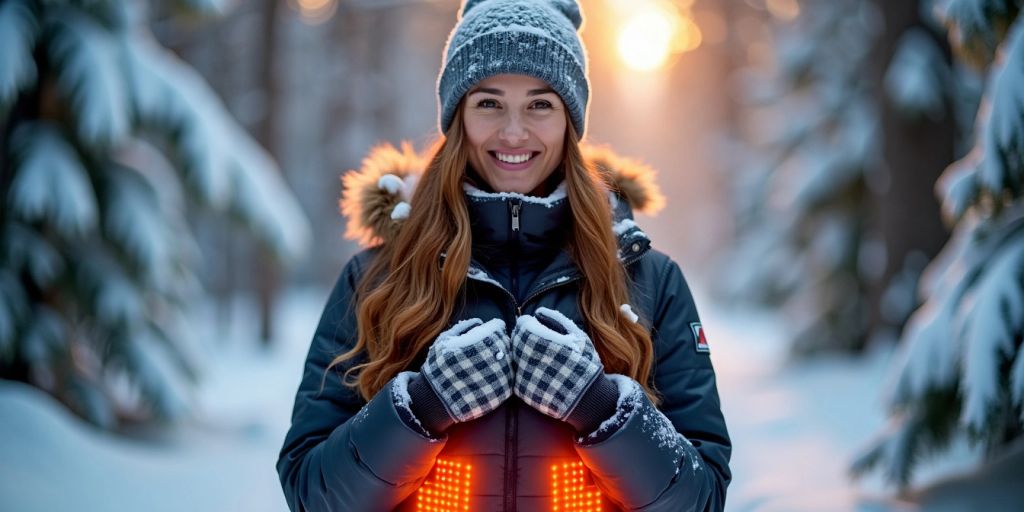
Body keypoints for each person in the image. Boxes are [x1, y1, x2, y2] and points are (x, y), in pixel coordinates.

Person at [276, 0, 731, 510]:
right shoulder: (376, 279)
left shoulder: (651, 281)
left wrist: (601, 406)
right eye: (489, 103)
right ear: (458, 117)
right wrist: (421, 406)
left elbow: (702, 497)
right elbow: (310, 491)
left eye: (540, 104)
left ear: (569, 120)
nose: (514, 133)